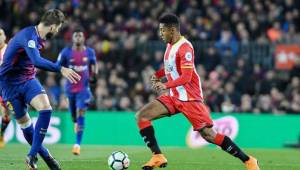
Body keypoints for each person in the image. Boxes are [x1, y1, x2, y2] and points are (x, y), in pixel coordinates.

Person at [135, 13, 260, 170]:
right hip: (174, 96)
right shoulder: (169, 46)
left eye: (162, 30)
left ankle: (248, 160)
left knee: (209, 135)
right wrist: (157, 75)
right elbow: (170, 69)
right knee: (142, 116)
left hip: (190, 99)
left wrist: (165, 85)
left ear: (172, 30)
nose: (160, 34)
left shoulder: (185, 47)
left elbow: (186, 77)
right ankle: (157, 156)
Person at [0, 9, 81, 170]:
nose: (57, 31)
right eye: (57, 28)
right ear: (52, 26)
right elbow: (36, 60)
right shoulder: (28, 36)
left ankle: (32, 154)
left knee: (46, 108)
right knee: (25, 125)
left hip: (28, 80)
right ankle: (46, 157)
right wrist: (61, 69)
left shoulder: (37, 37)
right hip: (9, 85)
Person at [57, 28, 97, 155]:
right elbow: (57, 65)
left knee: (81, 111)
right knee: (74, 115)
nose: (78, 38)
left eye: (80, 35)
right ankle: (75, 121)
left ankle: (77, 144)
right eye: (76, 36)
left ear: (84, 38)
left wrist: (94, 75)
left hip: (84, 89)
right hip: (70, 89)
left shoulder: (90, 52)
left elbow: (94, 64)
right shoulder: (66, 52)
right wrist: (62, 71)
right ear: (72, 38)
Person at [0, 28, 10, 148]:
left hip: (6, 87)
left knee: (5, 115)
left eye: (0, 34)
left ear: (4, 37)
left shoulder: (9, 50)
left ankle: (1, 133)